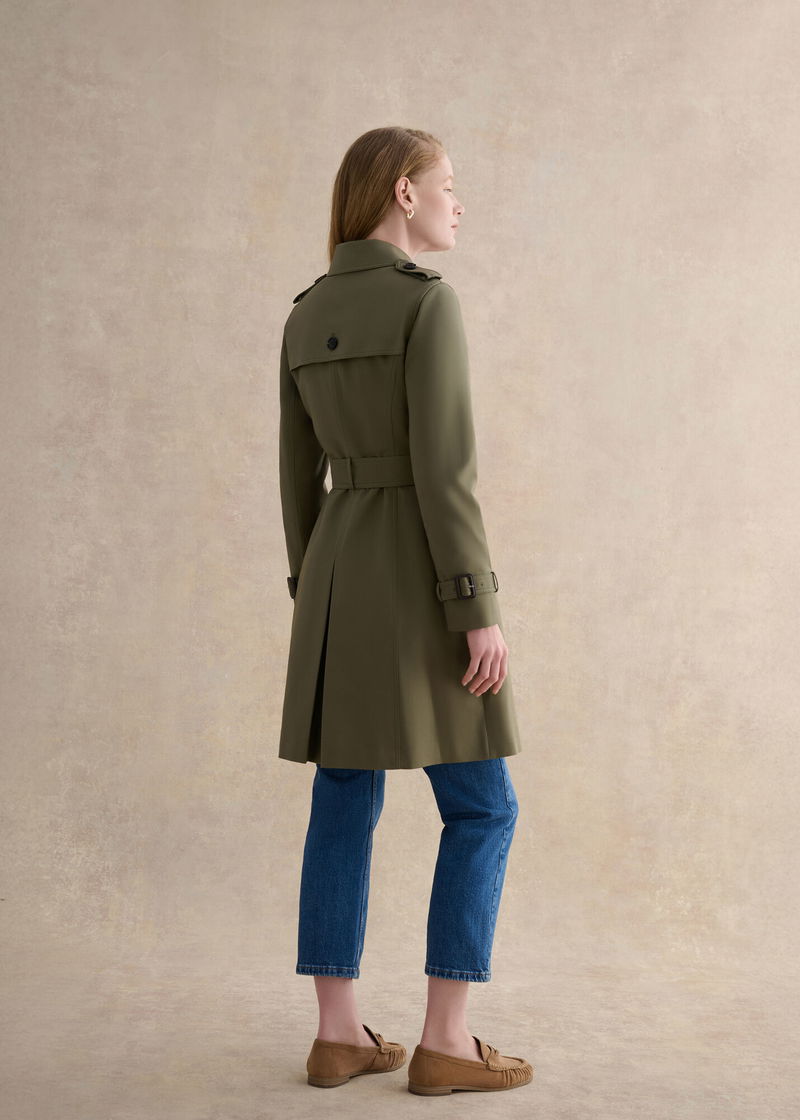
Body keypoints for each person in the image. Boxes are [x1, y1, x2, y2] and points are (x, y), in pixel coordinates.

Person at [277, 126, 533, 1094]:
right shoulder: (428, 304)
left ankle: (337, 1034)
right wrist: (476, 606)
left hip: (336, 580)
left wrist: (313, 596)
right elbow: (445, 473)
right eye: (447, 184)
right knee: (482, 805)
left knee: (343, 798)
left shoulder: (305, 314)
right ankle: (445, 1041)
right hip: (423, 580)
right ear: (402, 193)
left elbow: (296, 481)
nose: (458, 201)